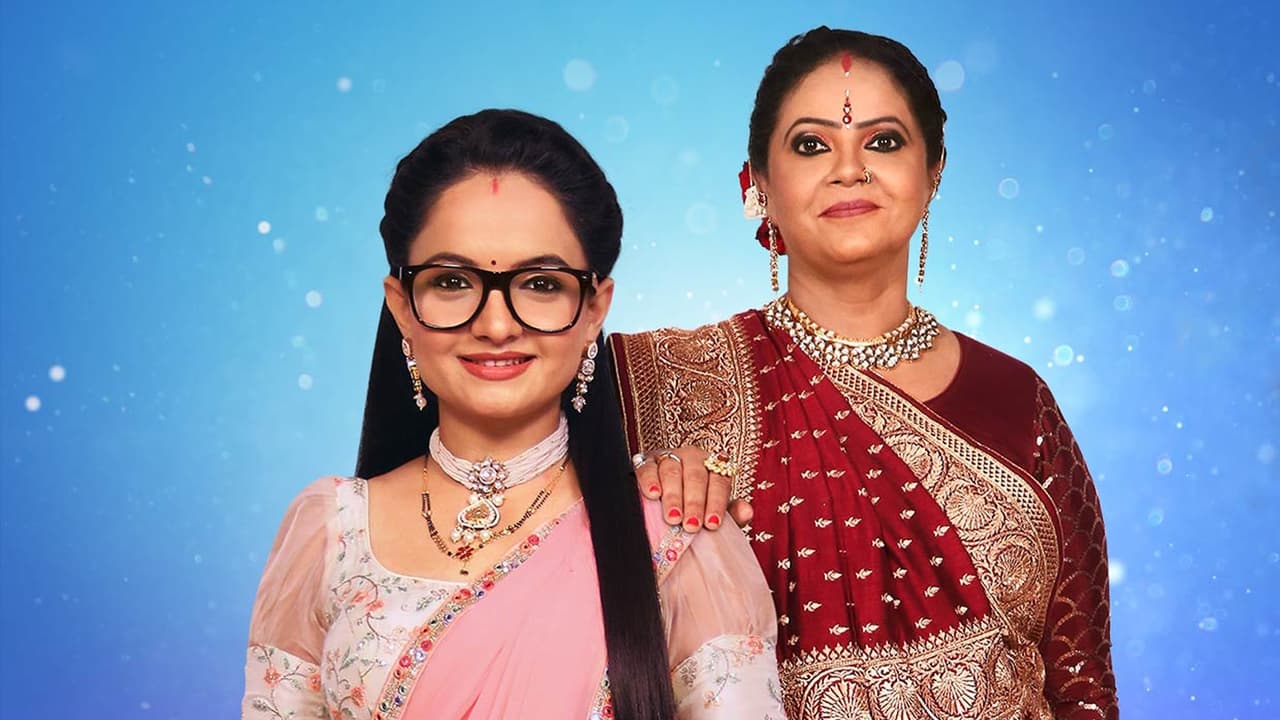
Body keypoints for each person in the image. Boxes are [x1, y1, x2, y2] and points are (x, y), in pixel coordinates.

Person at [614, 28, 1119, 719]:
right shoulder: (656, 382)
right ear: (757, 183)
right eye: (810, 145)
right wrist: (641, 485)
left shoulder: (1017, 400)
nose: (849, 170)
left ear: (934, 170)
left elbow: (1082, 687)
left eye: (883, 141)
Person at [242, 109, 785, 720]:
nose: (496, 325)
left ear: (595, 309)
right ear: (401, 306)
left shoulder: (678, 536)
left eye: (541, 284)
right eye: (452, 282)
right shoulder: (331, 533)